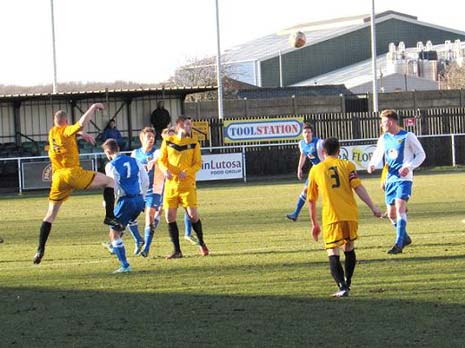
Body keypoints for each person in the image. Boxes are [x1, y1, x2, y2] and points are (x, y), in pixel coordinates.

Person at [33, 103, 123, 265]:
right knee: (109, 182)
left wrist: (82, 134)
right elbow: (80, 123)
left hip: (58, 178)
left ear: (55, 121)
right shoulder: (67, 131)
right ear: (66, 121)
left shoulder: (52, 132)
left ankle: (40, 249)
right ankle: (110, 217)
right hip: (72, 173)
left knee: (50, 215)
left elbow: (71, 131)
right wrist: (93, 108)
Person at [308, 137, 382, 297]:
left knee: (332, 250)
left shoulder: (316, 169)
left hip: (331, 216)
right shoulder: (348, 165)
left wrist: (314, 224)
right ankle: (347, 282)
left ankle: (342, 286)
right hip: (350, 214)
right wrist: (373, 206)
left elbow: (311, 200)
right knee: (349, 247)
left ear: (322, 152)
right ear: (339, 151)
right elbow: (358, 187)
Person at [368, 109, 426, 254]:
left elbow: (421, 154)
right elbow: (378, 154)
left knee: (400, 207)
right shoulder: (383, 138)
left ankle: (398, 244)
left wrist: (409, 166)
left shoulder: (408, 136)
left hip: (404, 179)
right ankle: (404, 237)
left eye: (384, 122)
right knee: (391, 214)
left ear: (392, 121)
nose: (382, 125)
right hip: (390, 179)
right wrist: (372, 164)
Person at [158, 116, 208, 259]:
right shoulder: (168, 141)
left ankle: (202, 243)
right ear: (179, 125)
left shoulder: (193, 143)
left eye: (190, 124)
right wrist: (165, 170)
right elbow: (162, 160)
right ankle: (177, 251)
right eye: (187, 124)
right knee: (169, 217)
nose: (190, 127)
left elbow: (198, 163)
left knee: (193, 216)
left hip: (187, 185)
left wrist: (187, 172)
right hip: (171, 186)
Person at [102, 139, 149, 273]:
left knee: (114, 233)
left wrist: (108, 202)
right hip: (138, 199)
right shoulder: (134, 160)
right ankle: (135, 240)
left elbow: (113, 185)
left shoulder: (111, 165)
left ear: (108, 152)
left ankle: (125, 265)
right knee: (121, 225)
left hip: (126, 201)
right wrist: (143, 198)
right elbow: (145, 180)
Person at [130, 127, 163, 257]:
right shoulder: (135, 153)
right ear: (142, 138)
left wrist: (151, 163)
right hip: (138, 191)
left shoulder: (156, 152)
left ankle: (147, 248)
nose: (151, 139)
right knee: (130, 216)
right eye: (148, 136)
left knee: (149, 217)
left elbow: (157, 158)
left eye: (153, 137)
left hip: (154, 190)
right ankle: (138, 239)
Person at [287, 123, 324, 221]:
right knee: (305, 190)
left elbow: (329, 154)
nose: (307, 134)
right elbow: (303, 155)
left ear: (312, 133)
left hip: (324, 170)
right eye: (305, 132)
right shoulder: (301, 144)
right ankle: (295, 213)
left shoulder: (319, 143)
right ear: (302, 134)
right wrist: (299, 168)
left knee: (329, 192)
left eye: (309, 132)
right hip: (315, 170)